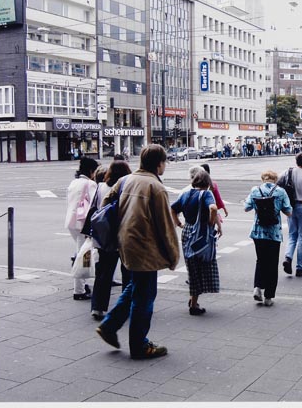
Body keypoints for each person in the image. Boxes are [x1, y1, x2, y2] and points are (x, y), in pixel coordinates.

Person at [95, 144, 179, 360]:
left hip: (125, 245)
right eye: (164, 162)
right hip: (145, 249)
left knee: (135, 287)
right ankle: (139, 345)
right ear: (159, 163)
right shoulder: (155, 187)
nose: (165, 166)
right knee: (145, 297)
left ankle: (109, 325)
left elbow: (105, 204)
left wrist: (122, 225)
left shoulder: (126, 180)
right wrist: (173, 256)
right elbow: (165, 226)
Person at [171, 170, 221, 315]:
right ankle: (193, 305)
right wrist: (211, 223)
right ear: (207, 182)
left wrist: (179, 223)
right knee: (201, 268)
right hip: (201, 236)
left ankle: (193, 300)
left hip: (187, 233)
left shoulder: (186, 194)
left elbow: (173, 209)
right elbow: (213, 208)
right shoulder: (206, 194)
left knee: (192, 268)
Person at [90, 160, 132, 320]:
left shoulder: (101, 187)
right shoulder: (127, 187)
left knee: (103, 273)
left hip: (104, 235)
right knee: (128, 272)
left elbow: (94, 209)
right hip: (124, 234)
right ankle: (125, 306)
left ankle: (98, 307)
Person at [244, 170, 292, 307]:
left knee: (260, 260)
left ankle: (258, 287)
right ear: (275, 179)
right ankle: (268, 297)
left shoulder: (255, 190)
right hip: (274, 233)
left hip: (258, 232)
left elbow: (246, 208)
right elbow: (289, 212)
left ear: (263, 179)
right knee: (272, 264)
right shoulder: (281, 191)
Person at [278, 152, 302, 277]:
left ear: (296, 161)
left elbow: (278, 185)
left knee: (292, 235)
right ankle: (300, 266)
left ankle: (288, 257)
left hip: (290, 206)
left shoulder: (287, 172)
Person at [64, 156, 98, 300]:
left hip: (71, 222)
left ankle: (82, 285)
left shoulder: (74, 182)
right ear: (91, 170)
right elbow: (93, 206)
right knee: (83, 256)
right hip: (83, 224)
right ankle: (79, 290)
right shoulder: (90, 184)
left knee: (82, 254)